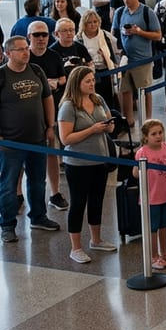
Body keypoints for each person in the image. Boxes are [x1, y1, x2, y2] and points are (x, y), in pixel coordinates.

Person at [0, 35, 60, 243]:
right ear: (8, 53)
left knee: (37, 181)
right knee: (8, 185)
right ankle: (7, 224)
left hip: (37, 139)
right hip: (11, 143)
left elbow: (47, 99)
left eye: (26, 48)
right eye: (20, 49)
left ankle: (38, 216)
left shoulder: (36, 71)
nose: (26, 52)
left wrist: (50, 126)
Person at [56, 66, 117, 264]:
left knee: (97, 200)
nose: (92, 84)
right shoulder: (68, 106)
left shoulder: (98, 99)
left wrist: (109, 126)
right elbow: (66, 138)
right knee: (78, 203)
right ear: (77, 83)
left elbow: (110, 123)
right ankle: (75, 247)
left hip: (100, 158)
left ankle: (96, 239)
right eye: (88, 81)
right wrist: (92, 129)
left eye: (93, 80)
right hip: (78, 163)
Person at [26, 21, 68, 210]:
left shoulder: (53, 55)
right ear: (29, 37)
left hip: (51, 110)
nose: (41, 38)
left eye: (44, 35)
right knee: (22, 156)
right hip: (27, 113)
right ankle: (19, 194)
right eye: (37, 35)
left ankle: (54, 192)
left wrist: (55, 83)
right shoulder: (24, 57)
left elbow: (62, 77)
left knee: (52, 150)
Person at [135, 118, 166, 270]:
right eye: (153, 134)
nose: (158, 136)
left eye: (160, 132)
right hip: (151, 197)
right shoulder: (143, 152)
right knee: (152, 227)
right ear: (146, 137)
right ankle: (154, 256)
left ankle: (165, 251)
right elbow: (136, 173)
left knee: (164, 224)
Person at [113, 0, 160, 126]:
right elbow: (114, 32)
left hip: (143, 59)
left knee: (145, 91)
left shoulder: (147, 12)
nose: (126, 0)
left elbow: (158, 35)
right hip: (126, 59)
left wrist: (139, 32)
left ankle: (147, 120)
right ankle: (129, 120)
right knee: (125, 90)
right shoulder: (120, 12)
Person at [75, 10, 120, 111]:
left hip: (105, 72)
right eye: (89, 22)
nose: (93, 25)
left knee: (107, 100)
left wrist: (108, 58)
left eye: (95, 22)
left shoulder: (105, 35)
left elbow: (116, 50)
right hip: (87, 73)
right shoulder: (78, 38)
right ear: (84, 24)